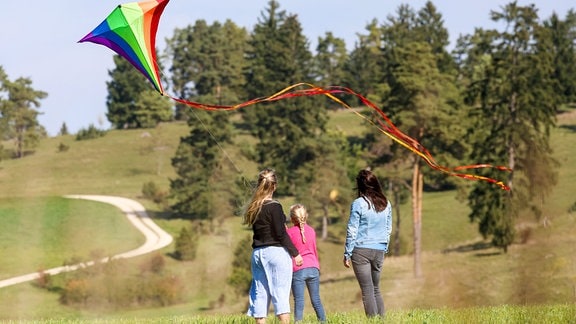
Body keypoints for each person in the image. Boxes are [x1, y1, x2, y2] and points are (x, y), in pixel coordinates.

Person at [243, 168, 304, 324]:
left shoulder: (254, 207)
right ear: (274, 186)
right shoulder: (275, 206)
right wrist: (295, 253)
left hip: (257, 254)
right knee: (281, 294)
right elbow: (281, 234)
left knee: (260, 295)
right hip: (275, 253)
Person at [343, 169, 392, 318]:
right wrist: (384, 247)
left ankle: (372, 321)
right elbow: (388, 228)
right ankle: (381, 320)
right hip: (379, 249)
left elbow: (352, 230)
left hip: (361, 250)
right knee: (376, 288)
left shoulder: (358, 203)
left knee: (367, 290)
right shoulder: (386, 203)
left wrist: (347, 253)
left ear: (360, 186)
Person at [286, 204, 326, 323]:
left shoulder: (290, 233)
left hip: (298, 269)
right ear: (305, 216)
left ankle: (298, 322)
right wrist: (317, 266)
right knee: (316, 299)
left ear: (292, 219)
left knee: (299, 301)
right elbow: (314, 250)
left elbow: (288, 250)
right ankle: (323, 321)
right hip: (313, 267)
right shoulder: (312, 231)